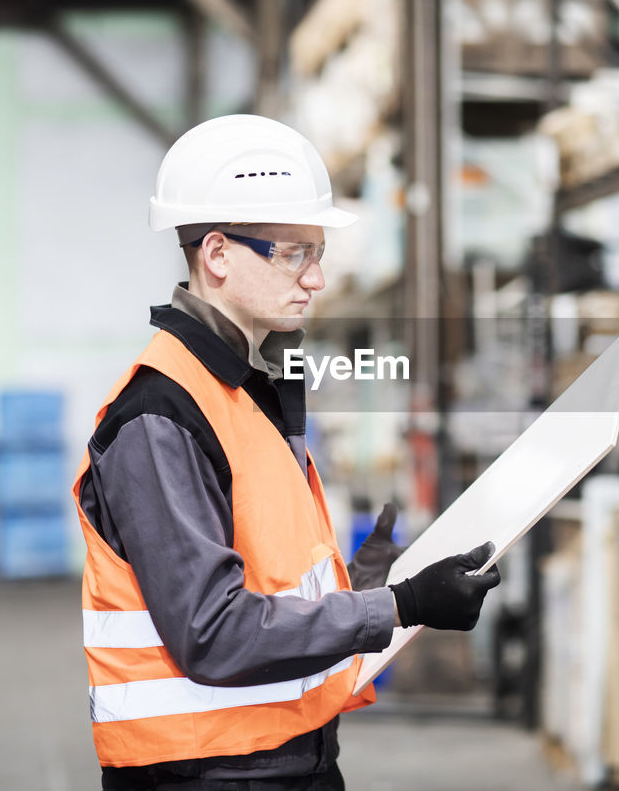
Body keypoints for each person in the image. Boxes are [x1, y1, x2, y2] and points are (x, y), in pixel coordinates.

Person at [72, 114, 502, 790]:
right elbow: (212, 631)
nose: (318, 277)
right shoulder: (161, 416)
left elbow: (266, 589)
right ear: (217, 254)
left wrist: (362, 585)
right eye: (295, 252)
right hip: (207, 776)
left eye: (318, 251)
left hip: (283, 761)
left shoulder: (249, 393)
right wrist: (400, 604)